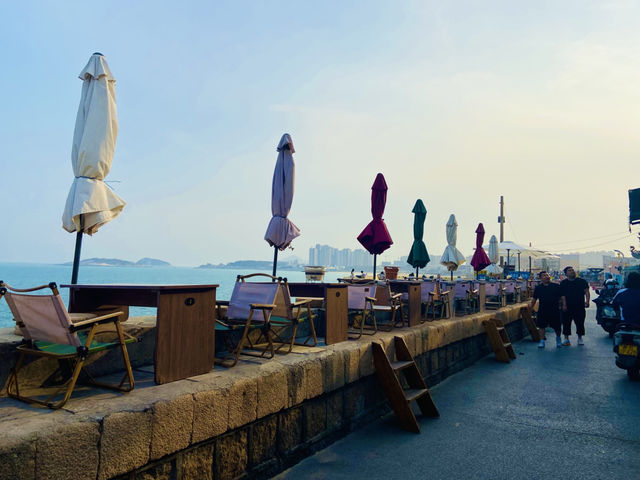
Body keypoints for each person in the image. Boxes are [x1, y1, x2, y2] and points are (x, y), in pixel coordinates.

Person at [529, 271, 563, 348]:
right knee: (541, 326)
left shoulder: (556, 286)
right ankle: (542, 341)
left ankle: (558, 339)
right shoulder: (538, 288)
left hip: (555, 309)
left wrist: (563, 305)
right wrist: (531, 307)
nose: (546, 276)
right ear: (541, 278)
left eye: (547, 275)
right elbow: (534, 299)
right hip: (542, 309)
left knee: (557, 326)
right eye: (544, 275)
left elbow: (562, 297)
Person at [560, 266, 590, 346]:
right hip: (567, 306)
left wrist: (587, 301)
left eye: (572, 270)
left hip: (579, 305)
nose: (572, 271)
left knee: (580, 322)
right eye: (569, 271)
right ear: (566, 273)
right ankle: (566, 339)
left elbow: (587, 292)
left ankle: (580, 338)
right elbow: (562, 295)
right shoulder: (563, 283)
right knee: (566, 322)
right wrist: (564, 305)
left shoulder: (581, 281)